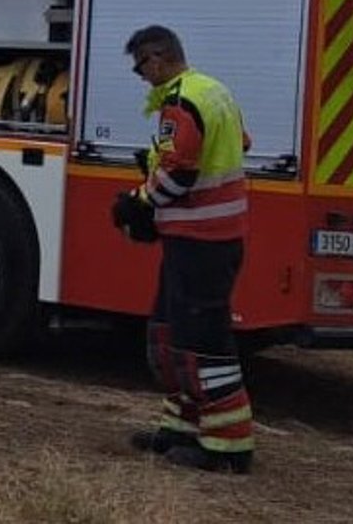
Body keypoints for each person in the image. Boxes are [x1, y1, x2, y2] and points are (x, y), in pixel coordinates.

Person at [115, 25, 254, 473]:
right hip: (201, 241)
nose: (139, 76)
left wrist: (137, 202)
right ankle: (179, 430)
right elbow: (239, 143)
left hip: (203, 244)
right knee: (171, 336)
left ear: (157, 58)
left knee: (203, 346)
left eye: (140, 66)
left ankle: (227, 448)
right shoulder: (213, 91)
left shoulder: (182, 101)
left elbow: (180, 175)